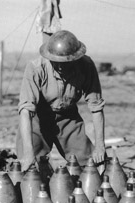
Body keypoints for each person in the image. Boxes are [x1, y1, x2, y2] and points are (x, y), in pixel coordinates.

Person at [16, 30, 106, 170]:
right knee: (31, 169)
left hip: (68, 117)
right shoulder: (36, 68)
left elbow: (96, 108)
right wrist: (28, 154)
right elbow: (25, 112)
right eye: (55, 62)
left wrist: (100, 147)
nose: (59, 66)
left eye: (64, 63)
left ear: (75, 58)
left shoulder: (86, 66)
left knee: (90, 165)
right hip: (38, 119)